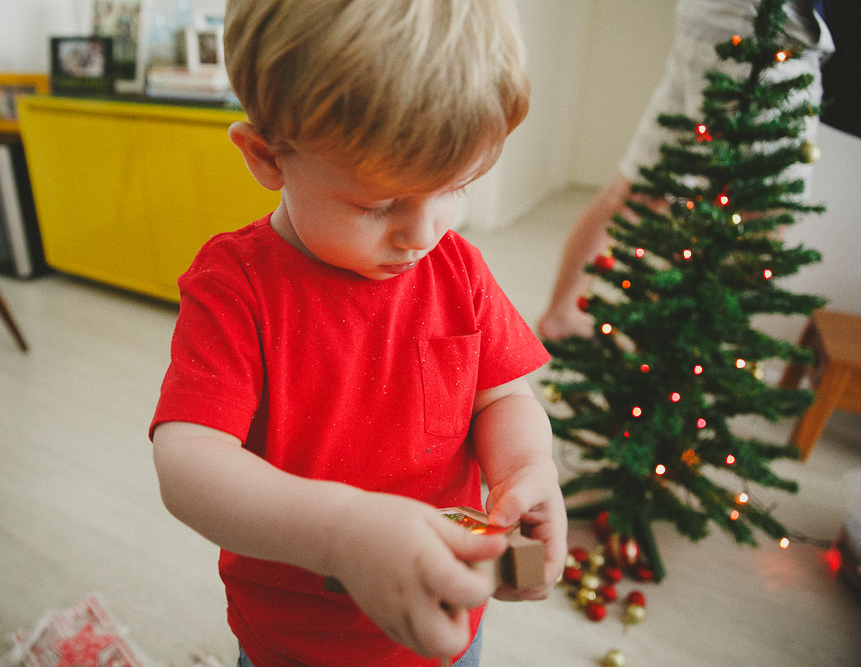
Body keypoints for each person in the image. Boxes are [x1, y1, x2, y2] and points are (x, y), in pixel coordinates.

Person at [149, 1, 568, 665]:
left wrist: (526, 468)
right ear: (267, 157)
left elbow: (503, 397)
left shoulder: (456, 269)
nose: (422, 234)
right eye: (378, 203)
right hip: (295, 642)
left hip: (447, 622)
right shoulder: (237, 286)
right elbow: (187, 463)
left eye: (453, 188)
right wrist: (340, 532)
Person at [537, 0, 834, 341]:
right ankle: (678, 347)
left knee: (644, 186)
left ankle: (565, 316)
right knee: (762, 213)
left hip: (717, 16)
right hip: (764, 25)